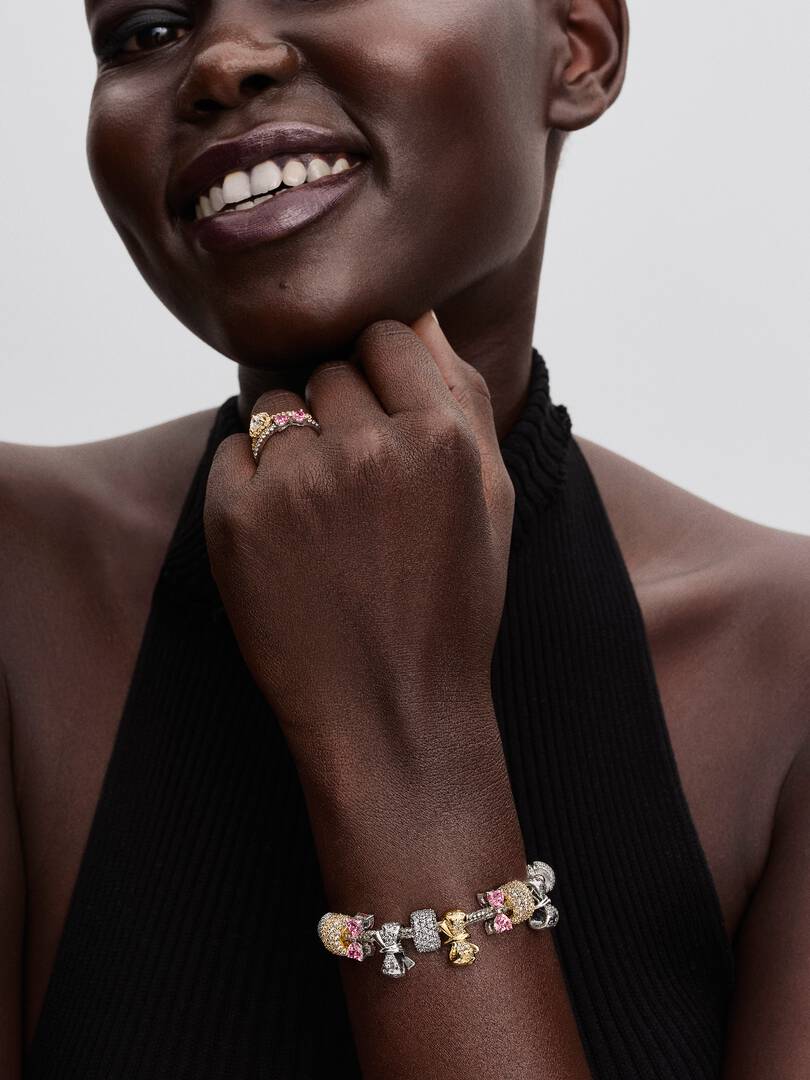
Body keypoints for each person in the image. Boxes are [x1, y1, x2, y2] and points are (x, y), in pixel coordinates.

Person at [1, 2, 808, 1077]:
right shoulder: (15, 581)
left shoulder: (789, 678)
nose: (224, 62)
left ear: (579, 46)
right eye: (145, 29)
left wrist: (403, 739)